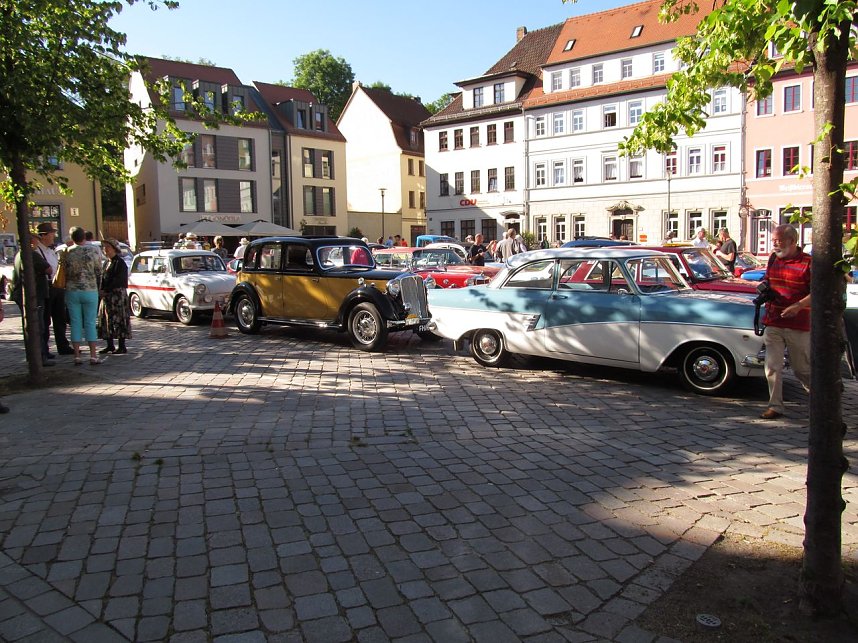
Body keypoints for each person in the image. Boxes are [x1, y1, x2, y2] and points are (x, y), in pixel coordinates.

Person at [759, 224, 811, 420]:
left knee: (802, 369)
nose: (774, 245)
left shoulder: (809, 262)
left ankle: (821, 399)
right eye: (773, 241)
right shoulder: (773, 259)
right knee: (772, 366)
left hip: (799, 323)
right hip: (774, 320)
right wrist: (764, 287)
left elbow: (818, 291)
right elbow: (768, 279)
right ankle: (775, 406)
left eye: (778, 241)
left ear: (792, 241)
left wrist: (798, 306)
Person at [10, 233, 54, 366]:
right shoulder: (32, 254)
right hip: (35, 294)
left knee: (30, 326)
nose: (38, 243)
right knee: (37, 326)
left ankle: (35, 355)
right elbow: (48, 269)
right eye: (37, 240)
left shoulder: (19, 254)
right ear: (31, 241)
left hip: (24, 294)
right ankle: (39, 357)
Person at [63, 226, 103, 366]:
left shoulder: (67, 251)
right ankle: (93, 355)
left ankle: (77, 355)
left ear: (72, 238)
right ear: (84, 237)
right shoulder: (93, 250)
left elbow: (64, 270)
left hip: (72, 290)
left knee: (75, 322)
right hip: (90, 289)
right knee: (90, 322)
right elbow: (99, 270)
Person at [34, 222, 73, 355]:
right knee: (45, 319)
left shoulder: (50, 250)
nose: (54, 236)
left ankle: (63, 345)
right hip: (47, 287)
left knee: (60, 318)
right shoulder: (37, 251)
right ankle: (44, 349)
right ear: (43, 236)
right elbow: (48, 270)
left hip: (57, 287)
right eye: (51, 234)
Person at [98, 238, 131, 354]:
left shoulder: (119, 263)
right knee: (106, 319)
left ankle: (122, 345)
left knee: (119, 319)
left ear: (114, 249)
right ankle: (110, 344)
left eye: (108, 247)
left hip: (117, 296)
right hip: (107, 296)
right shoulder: (107, 262)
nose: (105, 249)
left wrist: (106, 289)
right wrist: (101, 290)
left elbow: (119, 280)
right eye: (104, 247)